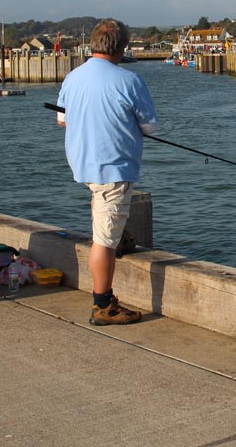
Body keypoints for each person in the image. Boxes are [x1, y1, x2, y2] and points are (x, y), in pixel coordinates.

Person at [56, 19, 158, 326]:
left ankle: (119, 234)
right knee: (102, 240)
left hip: (83, 164)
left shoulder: (73, 77)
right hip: (112, 169)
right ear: (122, 46)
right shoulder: (129, 81)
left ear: (93, 44)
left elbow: (62, 120)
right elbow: (150, 127)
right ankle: (103, 305)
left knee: (106, 216)